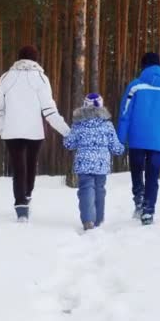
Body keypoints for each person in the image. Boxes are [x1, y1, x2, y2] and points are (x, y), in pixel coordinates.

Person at [0, 46, 70, 222]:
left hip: (11, 131)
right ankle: (26, 196)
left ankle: (21, 206)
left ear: (19, 59)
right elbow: (50, 110)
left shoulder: (6, 77)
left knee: (18, 167)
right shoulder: (41, 79)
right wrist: (67, 131)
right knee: (30, 164)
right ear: (35, 60)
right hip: (34, 132)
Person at [117, 53, 160, 226]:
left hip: (137, 138)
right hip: (158, 140)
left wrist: (121, 139)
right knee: (153, 176)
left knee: (137, 171)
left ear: (143, 66)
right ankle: (148, 211)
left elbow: (125, 114)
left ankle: (139, 200)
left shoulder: (135, 87)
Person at [64, 93, 124, 231]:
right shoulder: (107, 126)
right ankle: (99, 219)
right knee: (99, 190)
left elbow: (69, 144)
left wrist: (67, 137)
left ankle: (88, 220)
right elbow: (115, 147)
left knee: (86, 189)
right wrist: (121, 148)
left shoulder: (78, 125)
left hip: (83, 164)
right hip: (101, 165)